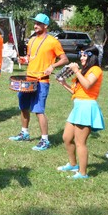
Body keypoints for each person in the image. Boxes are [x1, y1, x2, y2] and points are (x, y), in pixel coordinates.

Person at [9, 13, 68, 150]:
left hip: (42, 81)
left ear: (45, 26)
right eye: (35, 23)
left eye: (38, 23)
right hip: (28, 79)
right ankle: (24, 133)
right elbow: (30, 57)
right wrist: (24, 59)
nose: (35, 26)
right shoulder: (31, 40)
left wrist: (52, 66)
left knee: (39, 110)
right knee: (23, 107)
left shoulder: (53, 41)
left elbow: (65, 59)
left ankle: (45, 140)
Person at [55, 46, 105, 179]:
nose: (81, 58)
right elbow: (76, 91)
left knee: (80, 142)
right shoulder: (84, 71)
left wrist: (76, 71)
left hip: (86, 107)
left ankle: (83, 173)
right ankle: (73, 164)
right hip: (78, 106)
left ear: (91, 57)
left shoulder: (96, 69)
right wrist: (63, 83)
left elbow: (88, 85)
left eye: (84, 56)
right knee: (66, 137)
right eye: (81, 55)